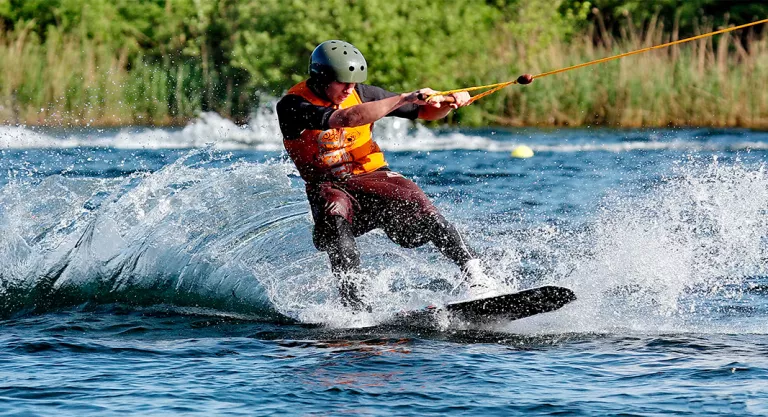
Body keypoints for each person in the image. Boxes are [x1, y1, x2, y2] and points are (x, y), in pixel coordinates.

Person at [276, 40, 496, 310]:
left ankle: (477, 277)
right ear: (321, 78)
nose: (349, 89)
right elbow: (346, 119)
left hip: (372, 177)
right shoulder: (292, 105)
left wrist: (448, 103)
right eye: (343, 82)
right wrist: (403, 97)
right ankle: (355, 307)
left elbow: (425, 111)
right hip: (329, 186)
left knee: (419, 204)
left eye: (354, 83)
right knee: (336, 225)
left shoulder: (363, 93)